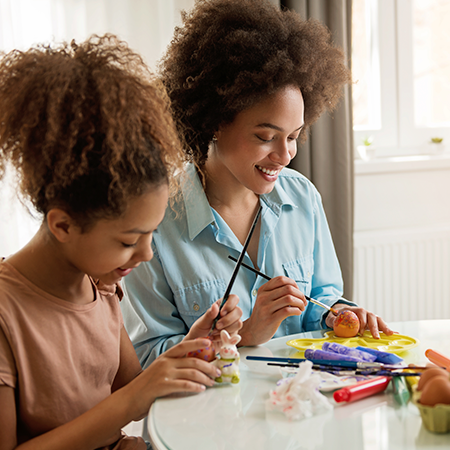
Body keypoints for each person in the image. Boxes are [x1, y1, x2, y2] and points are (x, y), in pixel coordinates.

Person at [120, 0, 394, 367]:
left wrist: (340, 316)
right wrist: (243, 335)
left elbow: (323, 301)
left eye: (294, 136)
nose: (285, 156)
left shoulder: (302, 197)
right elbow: (143, 360)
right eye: (266, 136)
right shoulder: (155, 222)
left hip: (299, 406)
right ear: (215, 121)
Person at [0, 34, 242, 450]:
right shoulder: (7, 315)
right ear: (63, 225)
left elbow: (136, 386)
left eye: (151, 233)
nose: (147, 254)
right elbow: (131, 398)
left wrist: (193, 348)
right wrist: (133, 398)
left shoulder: (99, 285)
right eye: (131, 240)